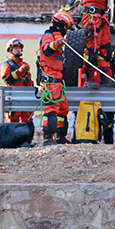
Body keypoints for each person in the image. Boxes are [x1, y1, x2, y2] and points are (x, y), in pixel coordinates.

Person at [37, 12, 74, 145]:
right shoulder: (48, 36)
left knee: (63, 110)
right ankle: (47, 138)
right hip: (51, 81)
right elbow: (47, 50)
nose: (66, 32)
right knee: (51, 109)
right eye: (66, 28)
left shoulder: (56, 38)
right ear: (60, 26)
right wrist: (57, 43)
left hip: (58, 82)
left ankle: (60, 137)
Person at [0, 38, 34, 124]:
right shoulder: (7, 64)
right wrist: (19, 72)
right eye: (15, 48)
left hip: (25, 98)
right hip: (13, 98)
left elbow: (29, 82)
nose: (18, 50)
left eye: (19, 48)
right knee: (13, 123)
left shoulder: (25, 65)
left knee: (28, 122)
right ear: (10, 50)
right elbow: (7, 80)